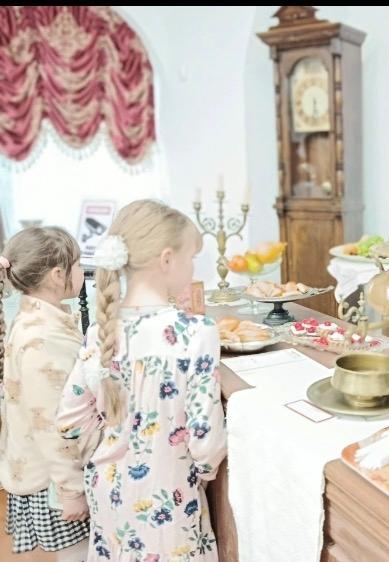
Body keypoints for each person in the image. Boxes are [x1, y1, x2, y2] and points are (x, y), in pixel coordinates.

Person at [57, 200, 227, 561]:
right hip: (169, 496)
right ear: (166, 260)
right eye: (191, 258)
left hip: (107, 490)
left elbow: (70, 421)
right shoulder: (196, 332)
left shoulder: (100, 332)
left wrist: (113, 444)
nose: (193, 268)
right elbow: (205, 441)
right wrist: (205, 471)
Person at [0, 227, 91, 561]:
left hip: (50, 473)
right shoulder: (42, 338)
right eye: (78, 264)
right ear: (57, 275)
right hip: (55, 480)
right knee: (79, 556)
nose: (82, 271)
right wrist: (72, 489)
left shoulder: (35, 320)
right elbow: (52, 422)